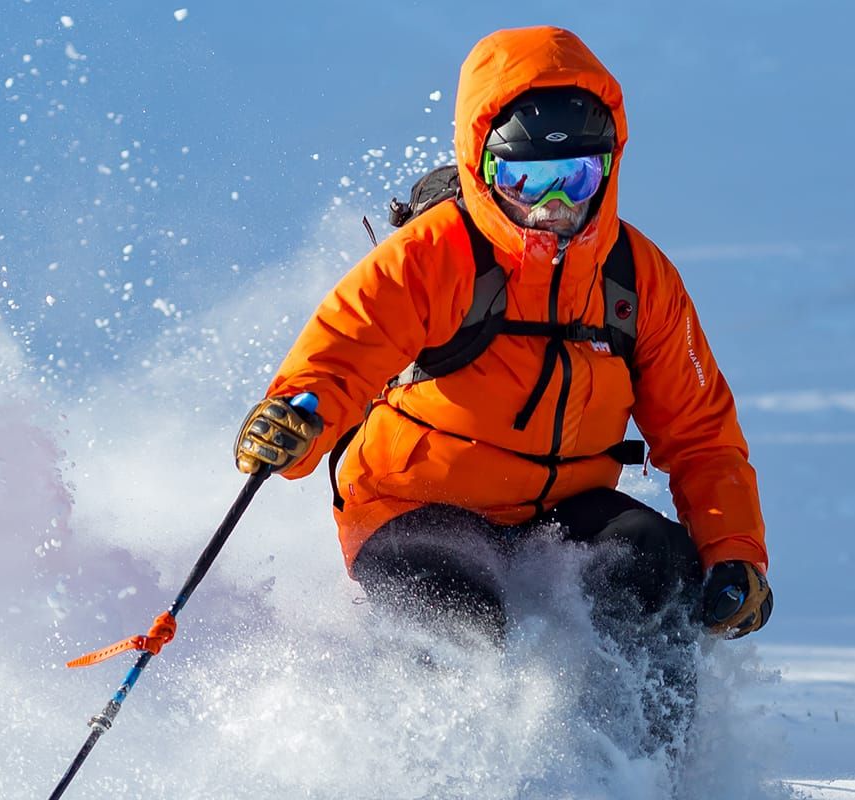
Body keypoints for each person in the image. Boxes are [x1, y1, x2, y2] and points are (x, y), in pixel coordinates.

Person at [233, 26, 771, 736]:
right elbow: (336, 363)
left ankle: (639, 770)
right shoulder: (434, 256)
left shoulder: (635, 278)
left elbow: (701, 434)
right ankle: (436, 774)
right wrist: (291, 427)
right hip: (411, 502)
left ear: (608, 171)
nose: (552, 205)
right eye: (526, 181)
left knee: (659, 570)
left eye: (574, 179)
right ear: (484, 168)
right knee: (455, 608)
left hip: (561, 504)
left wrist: (734, 552)